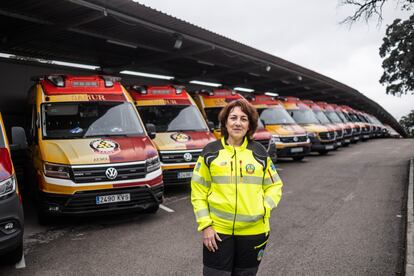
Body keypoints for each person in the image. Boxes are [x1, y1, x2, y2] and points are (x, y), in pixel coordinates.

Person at [191, 99, 283, 276]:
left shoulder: (259, 153)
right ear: (225, 122)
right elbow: (198, 190)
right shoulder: (210, 152)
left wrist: (264, 208)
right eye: (233, 118)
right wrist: (206, 226)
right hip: (218, 232)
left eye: (243, 118)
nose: (238, 123)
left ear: (250, 125)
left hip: (254, 232)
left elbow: (275, 185)